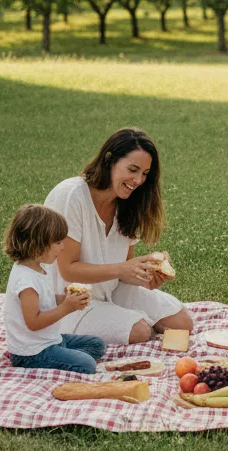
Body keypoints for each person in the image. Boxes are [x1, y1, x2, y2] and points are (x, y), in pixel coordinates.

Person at [45, 127, 193, 345]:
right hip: (67, 302)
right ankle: (105, 320)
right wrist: (122, 269)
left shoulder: (129, 203)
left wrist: (146, 272)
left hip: (110, 292)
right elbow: (67, 270)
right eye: (132, 169)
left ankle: (115, 314)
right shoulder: (72, 196)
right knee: (140, 331)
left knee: (182, 323)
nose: (138, 180)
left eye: (144, 174)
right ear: (109, 160)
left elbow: (124, 269)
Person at [3, 203, 106, 373]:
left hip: (50, 340)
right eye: (58, 242)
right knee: (88, 364)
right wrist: (66, 308)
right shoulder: (25, 281)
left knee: (97, 344)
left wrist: (66, 299)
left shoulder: (39, 267)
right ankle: (53, 360)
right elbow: (34, 323)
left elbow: (46, 301)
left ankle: (62, 357)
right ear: (38, 243)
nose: (62, 247)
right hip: (32, 352)